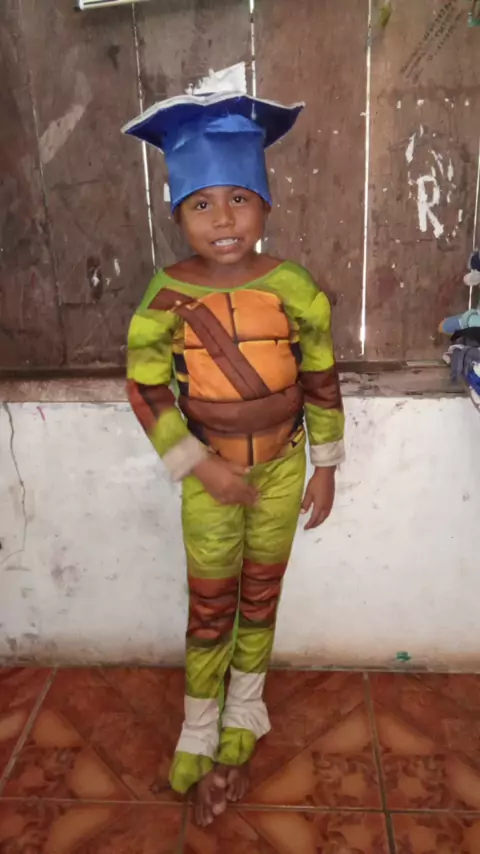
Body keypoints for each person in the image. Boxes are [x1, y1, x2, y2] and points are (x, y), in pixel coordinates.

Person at [123, 90, 345, 826]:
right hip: (209, 478)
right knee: (212, 604)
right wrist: (198, 465)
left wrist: (324, 465)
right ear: (177, 216)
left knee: (260, 597)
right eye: (201, 204)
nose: (223, 219)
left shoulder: (293, 287)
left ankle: (243, 719)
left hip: (283, 471)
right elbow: (145, 388)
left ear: (266, 205)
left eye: (239, 199)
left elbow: (320, 375)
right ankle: (198, 729)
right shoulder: (165, 296)